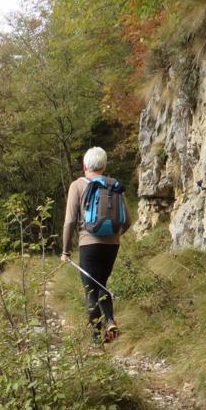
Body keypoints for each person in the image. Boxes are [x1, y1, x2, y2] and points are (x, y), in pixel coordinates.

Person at [60, 146, 123, 343]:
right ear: (104, 166)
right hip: (112, 244)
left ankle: (96, 340)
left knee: (91, 290)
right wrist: (113, 236)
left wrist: (65, 251)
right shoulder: (114, 185)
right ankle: (110, 321)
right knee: (102, 281)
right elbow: (127, 220)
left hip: (88, 244)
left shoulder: (77, 185)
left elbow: (70, 221)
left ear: (84, 165)